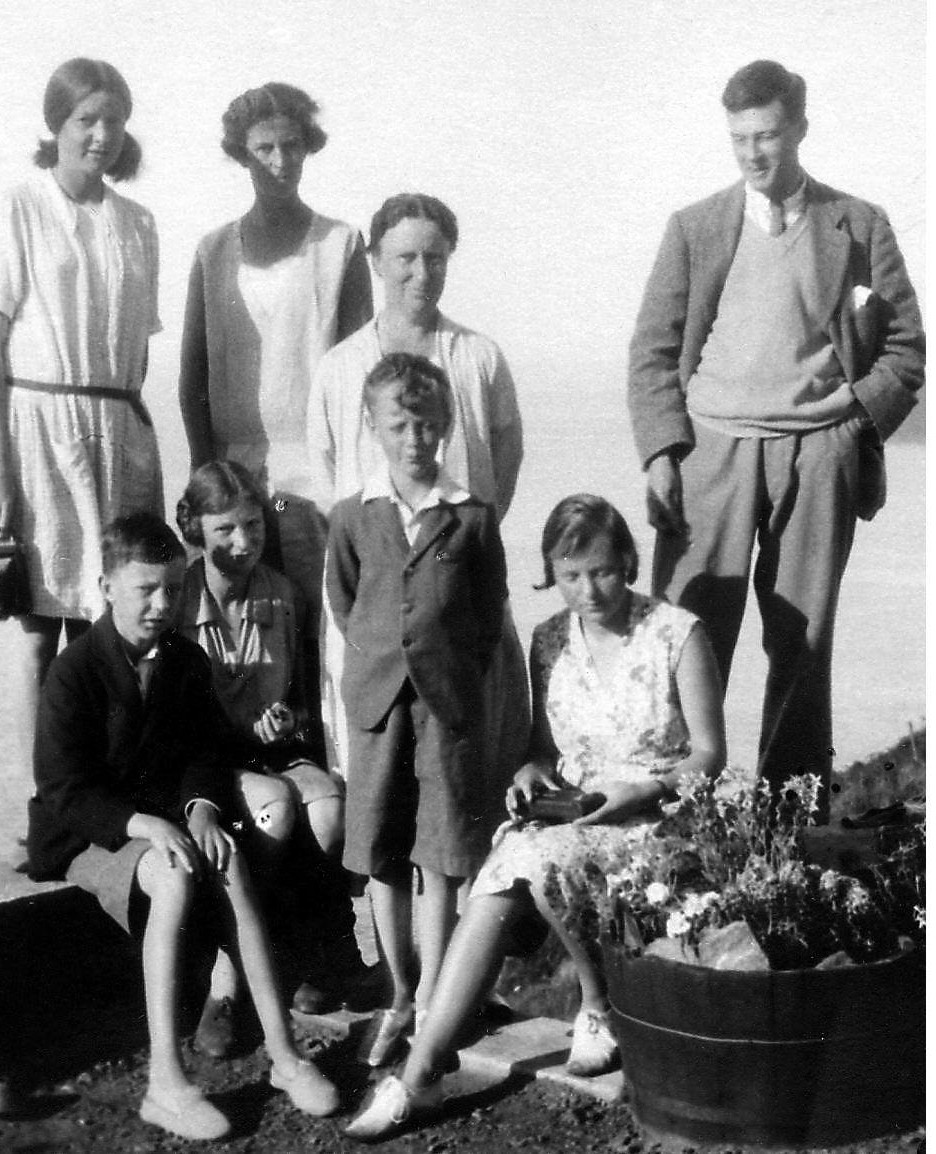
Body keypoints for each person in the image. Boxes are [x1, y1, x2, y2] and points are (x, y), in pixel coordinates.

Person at [345, 495, 726, 1140]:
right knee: (509, 871)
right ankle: (421, 1076)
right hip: (573, 819)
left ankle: (598, 1006)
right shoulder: (550, 640)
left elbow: (711, 756)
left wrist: (642, 788)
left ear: (628, 561)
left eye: (602, 571)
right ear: (552, 572)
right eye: (570, 575)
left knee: (534, 859)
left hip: (656, 818)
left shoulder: (676, 633)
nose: (588, 590)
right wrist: (528, 775)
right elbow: (543, 751)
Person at [627, 60, 925, 816]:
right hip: (711, 455)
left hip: (818, 453)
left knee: (801, 645)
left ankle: (783, 825)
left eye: (766, 135)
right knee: (685, 636)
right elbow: (653, 350)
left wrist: (853, 422)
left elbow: (906, 347)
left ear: (798, 127)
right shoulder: (694, 227)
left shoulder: (856, 222)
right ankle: (674, 817)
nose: (752, 153)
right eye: (738, 139)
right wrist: (662, 454)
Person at [26, 512, 339, 1141]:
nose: (162, 603)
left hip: (162, 818)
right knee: (171, 875)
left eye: (172, 588)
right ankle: (164, 1084)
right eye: (145, 589)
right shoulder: (74, 671)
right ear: (106, 585)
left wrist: (199, 809)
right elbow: (63, 789)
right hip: (90, 833)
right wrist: (143, 824)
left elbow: (203, 753)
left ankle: (283, 1055)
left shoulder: (185, 659)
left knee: (227, 858)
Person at [0, 57, 165, 779]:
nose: (102, 134)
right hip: (36, 431)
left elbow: (138, 355)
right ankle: (41, 803)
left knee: (104, 631)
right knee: (35, 630)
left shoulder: (138, 224)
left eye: (114, 119)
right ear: (56, 125)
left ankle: (98, 796)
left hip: (116, 431)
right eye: (87, 119)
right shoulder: (18, 204)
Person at [307, 192, 527, 808]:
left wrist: (456, 545)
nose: (420, 273)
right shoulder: (340, 367)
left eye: (435, 257)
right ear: (376, 260)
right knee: (374, 762)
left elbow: (503, 460)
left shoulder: (479, 357)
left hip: (457, 583)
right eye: (405, 257)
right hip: (373, 594)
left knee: (465, 756)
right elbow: (329, 473)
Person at [326, 354, 507, 1070]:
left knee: (440, 853)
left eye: (427, 424)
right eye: (399, 424)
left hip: (446, 708)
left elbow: (487, 609)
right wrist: (383, 657)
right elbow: (345, 603)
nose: (414, 439)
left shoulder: (470, 516)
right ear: (373, 426)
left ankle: (434, 991)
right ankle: (398, 993)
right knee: (382, 850)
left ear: (446, 426)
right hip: (376, 708)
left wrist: (451, 667)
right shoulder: (350, 516)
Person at [175, 460, 377, 1040]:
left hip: (269, 751)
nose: (244, 542)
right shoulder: (182, 599)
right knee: (275, 809)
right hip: (209, 762)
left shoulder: (282, 596)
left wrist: (288, 719)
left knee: (331, 806)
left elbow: (300, 702)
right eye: (225, 531)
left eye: (254, 526)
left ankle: (319, 956)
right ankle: (229, 974)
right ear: (198, 530)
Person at [178, 81, 373, 624]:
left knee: (319, 620)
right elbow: (192, 378)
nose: (281, 161)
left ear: (308, 146)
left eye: (292, 145)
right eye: (265, 148)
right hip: (232, 475)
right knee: (239, 628)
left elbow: (361, 376)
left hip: (315, 472)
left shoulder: (341, 245)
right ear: (243, 154)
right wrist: (204, 474)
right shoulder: (212, 251)